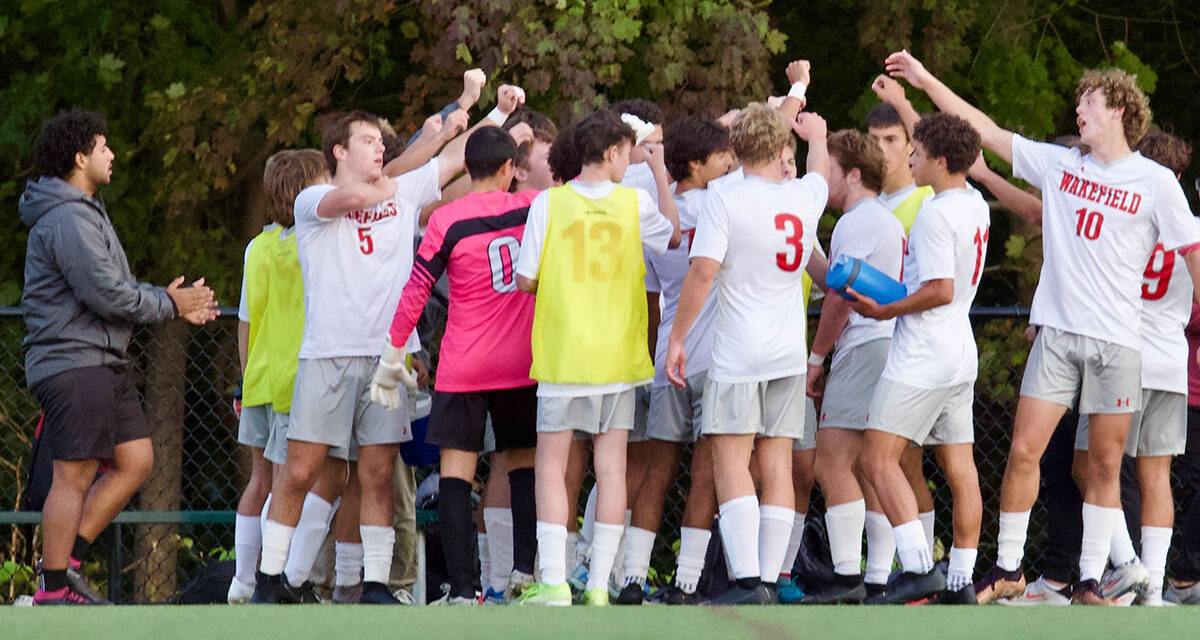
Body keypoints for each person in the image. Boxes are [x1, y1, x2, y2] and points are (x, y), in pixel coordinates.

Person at [885, 50, 1200, 604]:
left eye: (1090, 100)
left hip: (1120, 342)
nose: (1079, 108)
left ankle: (1090, 579)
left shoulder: (1156, 182)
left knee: (1103, 464)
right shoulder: (1062, 165)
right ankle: (1008, 567)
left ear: (1120, 109)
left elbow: (1193, 255)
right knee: (1025, 451)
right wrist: (925, 79)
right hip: (1056, 334)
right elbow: (982, 129)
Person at [253, 103, 475, 605]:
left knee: (376, 474)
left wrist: (484, 113)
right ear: (339, 150)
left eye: (381, 143)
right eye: (369, 141)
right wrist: (411, 163)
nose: (380, 148)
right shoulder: (315, 195)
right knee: (302, 469)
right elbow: (352, 196)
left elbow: (459, 158)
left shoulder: (403, 185)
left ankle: (375, 584)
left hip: (384, 360)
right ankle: (270, 579)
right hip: (327, 356)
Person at [21, 109, 218, 605]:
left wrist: (161, 296)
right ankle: (52, 589)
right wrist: (170, 303)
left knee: (137, 458)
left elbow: (116, 289)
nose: (112, 156)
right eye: (103, 147)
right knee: (75, 473)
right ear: (80, 157)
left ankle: (65, 562)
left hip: (102, 362)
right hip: (73, 364)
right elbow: (107, 294)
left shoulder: (87, 212)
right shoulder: (66, 218)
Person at [514, 108, 681, 606]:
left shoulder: (549, 203)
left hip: (565, 355)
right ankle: (601, 586)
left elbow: (524, 279)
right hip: (617, 357)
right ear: (611, 152)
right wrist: (658, 173)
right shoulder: (633, 203)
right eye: (627, 153)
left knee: (551, 465)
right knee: (611, 469)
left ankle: (554, 580)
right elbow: (673, 236)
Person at [666, 102, 830, 605]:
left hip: (738, 350)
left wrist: (677, 338)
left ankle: (746, 580)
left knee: (731, 459)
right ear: (784, 151)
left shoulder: (725, 197)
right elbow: (820, 175)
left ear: (735, 150)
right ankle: (770, 576)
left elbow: (702, 272)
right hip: (787, 351)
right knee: (778, 462)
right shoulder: (805, 196)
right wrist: (817, 139)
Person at [374, 125, 540, 606]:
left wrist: (393, 350)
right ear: (511, 169)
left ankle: (465, 591)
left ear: (467, 169)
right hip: (521, 365)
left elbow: (416, 289)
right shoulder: (532, 209)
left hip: (464, 366)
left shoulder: (448, 220)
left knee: (455, 476)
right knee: (523, 469)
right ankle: (523, 573)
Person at [847, 112, 989, 605]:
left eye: (919, 150)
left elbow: (940, 289)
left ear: (941, 160)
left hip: (924, 352)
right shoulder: (975, 204)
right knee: (960, 466)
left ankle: (917, 567)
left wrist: (887, 308)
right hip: (959, 352)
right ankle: (961, 581)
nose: (911, 156)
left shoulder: (935, 211)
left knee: (875, 459)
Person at [617, 116, 733, 605]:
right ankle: (686, 583)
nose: (731, 163)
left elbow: (649, 300)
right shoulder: (723, 204)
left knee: (655, 473)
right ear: (696, 164)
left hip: (669, 355)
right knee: (704, 473)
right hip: (714, 358)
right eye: (722, 156)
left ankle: (633, 578)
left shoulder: (657, 223)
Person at [798, 129, 904, 604]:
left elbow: (841, 300)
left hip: (864, 348)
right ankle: (878, 576)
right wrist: (808, 248)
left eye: (831, 170)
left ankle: (847, 577)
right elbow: (837, 277)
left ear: (853, 174)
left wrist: (816, 359)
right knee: (865, 467)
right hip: (885, 348)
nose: (824, 179)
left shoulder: (858, 221)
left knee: (832, 461)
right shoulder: (879, 220)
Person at [228, 149, 330, 604]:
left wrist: (245, 379)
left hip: (260, 378)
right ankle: (280, 576)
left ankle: (242, 580)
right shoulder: (314, 242)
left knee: (260, 481)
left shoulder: (257, 247)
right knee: (294, 483)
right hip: (297, 380)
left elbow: (246, 321)